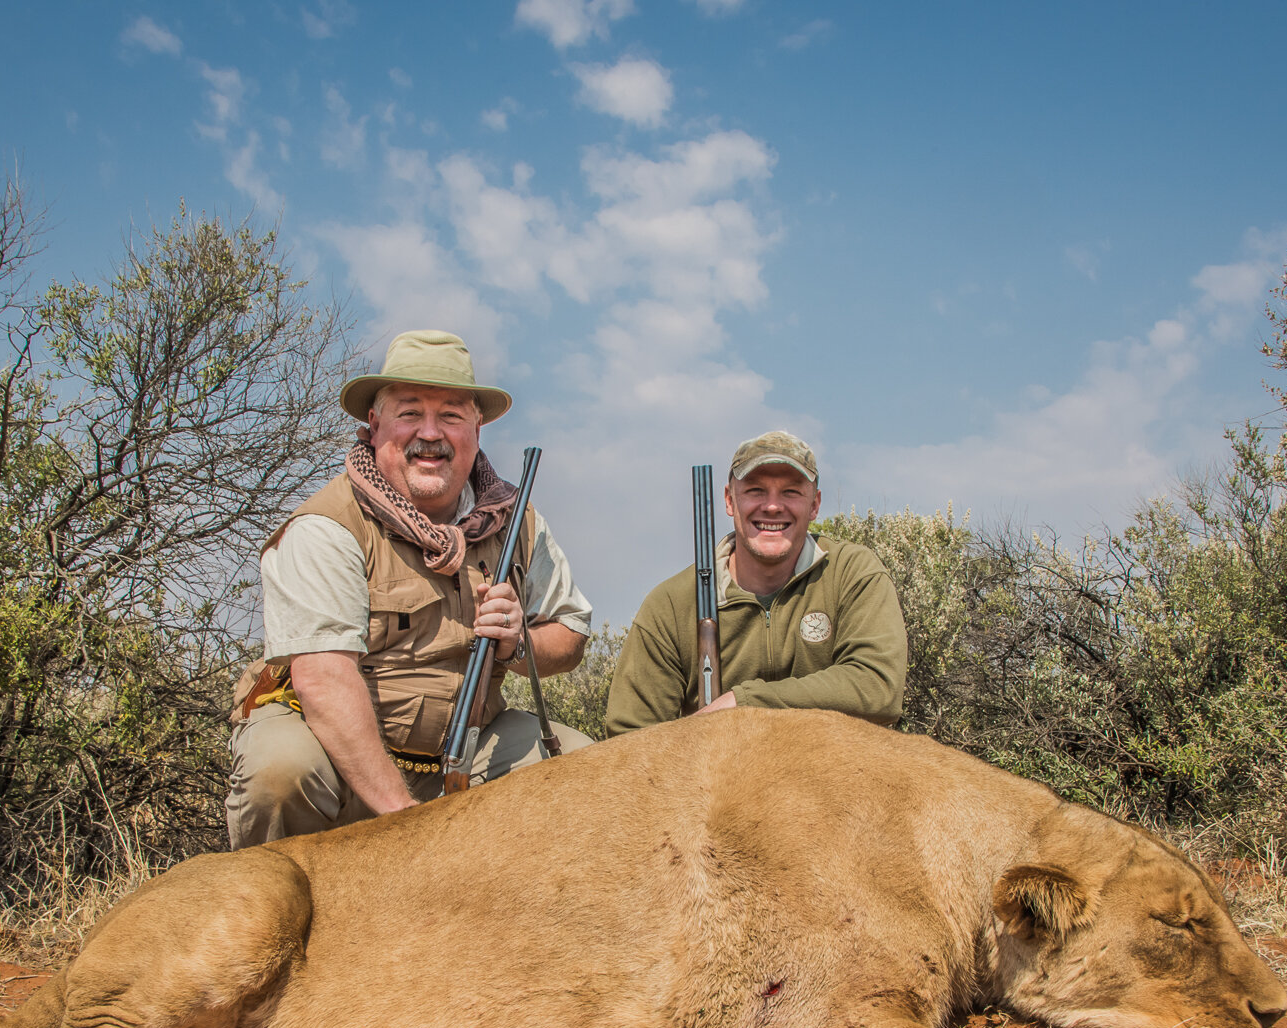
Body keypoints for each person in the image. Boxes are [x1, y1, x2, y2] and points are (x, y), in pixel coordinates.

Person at [225, 330, 593, 847]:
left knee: (584, 772)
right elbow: (325, 683)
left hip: (467, 745)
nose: (430, 433)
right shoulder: (325, 526)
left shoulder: (519, 521)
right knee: (280, 772)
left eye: (451, 415)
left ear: (477, 428)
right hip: (340, 747)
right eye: (409, 412)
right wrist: (412, 826)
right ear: (374, 425)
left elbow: (571, 635)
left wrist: (518, 644)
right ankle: (267, 913)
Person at [605, 431, 905, 735]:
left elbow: (878, 687)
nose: (772, 507)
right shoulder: (671, 605)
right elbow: (629, 735)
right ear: (729, 500)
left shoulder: (851, 573)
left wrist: (743, 703)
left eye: (790, 492)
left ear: (814, 505)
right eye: (756, 490)